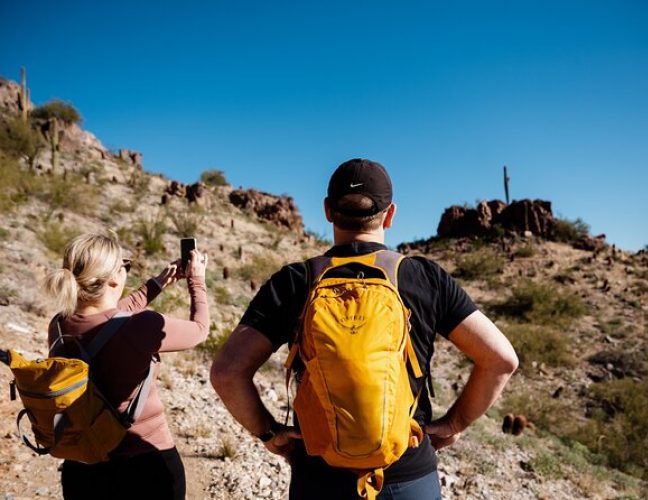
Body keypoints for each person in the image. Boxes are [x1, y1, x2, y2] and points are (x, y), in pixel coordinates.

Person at [210, 158, 518, 499]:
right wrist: (455, 423)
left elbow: (227, 373)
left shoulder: (295, 282)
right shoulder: (425, 277)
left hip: (319, 474)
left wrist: (269, 433)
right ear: (390, 214)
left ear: (328, 211)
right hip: (408, 474)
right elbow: (501, 360)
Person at [42, 233, 210, 500]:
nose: (127, 271)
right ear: (112, 279)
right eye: (125, 266)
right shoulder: (142, 326)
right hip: (147, 466)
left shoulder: (59, 326)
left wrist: (158, 283)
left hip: (85, 465)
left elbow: (110, 319)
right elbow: (200, 330)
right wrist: (197, 281)